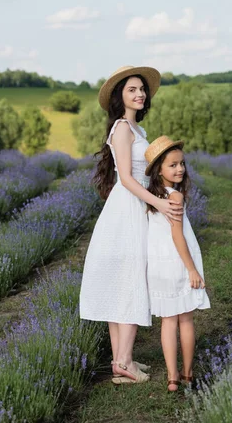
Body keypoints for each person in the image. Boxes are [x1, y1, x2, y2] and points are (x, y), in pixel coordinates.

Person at [80, 66, 183, 385]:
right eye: (132, 90)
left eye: (142, 90)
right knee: (130, 277)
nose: (139, 94)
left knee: (125, 279)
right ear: (119, 96)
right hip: (127, 208)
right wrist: (159, 202)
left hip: (136, 204)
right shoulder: (123, 128)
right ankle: (123, 362)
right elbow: (125, 178)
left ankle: (120, 360)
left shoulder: (137, 130)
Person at [145, 136, 210, 392]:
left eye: (181, 163)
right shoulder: (175, 197)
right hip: (178, 263)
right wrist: (192, 269)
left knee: (167, 322)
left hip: (160, 266)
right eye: (172, 165)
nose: (180, 169)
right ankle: (187, 372)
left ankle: (172, 377)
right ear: (159, 168)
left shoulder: (152, 196)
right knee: (185, 320)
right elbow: (177, 235)